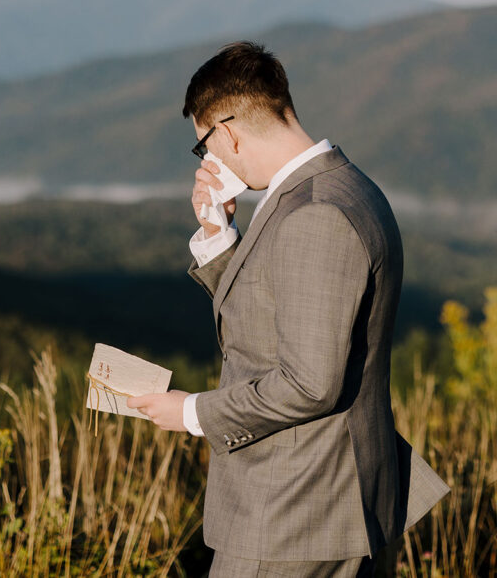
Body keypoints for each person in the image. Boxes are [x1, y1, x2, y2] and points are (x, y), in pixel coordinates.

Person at [128, 42, 449, 577]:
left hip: (295, 512)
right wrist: (217, 236)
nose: (210, 160)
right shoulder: (347, 187)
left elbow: (309, 384)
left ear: (226, 132)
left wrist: (190, 414)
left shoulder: (314, 213)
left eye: (204, 145)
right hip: (333, 504)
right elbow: (267, 322)